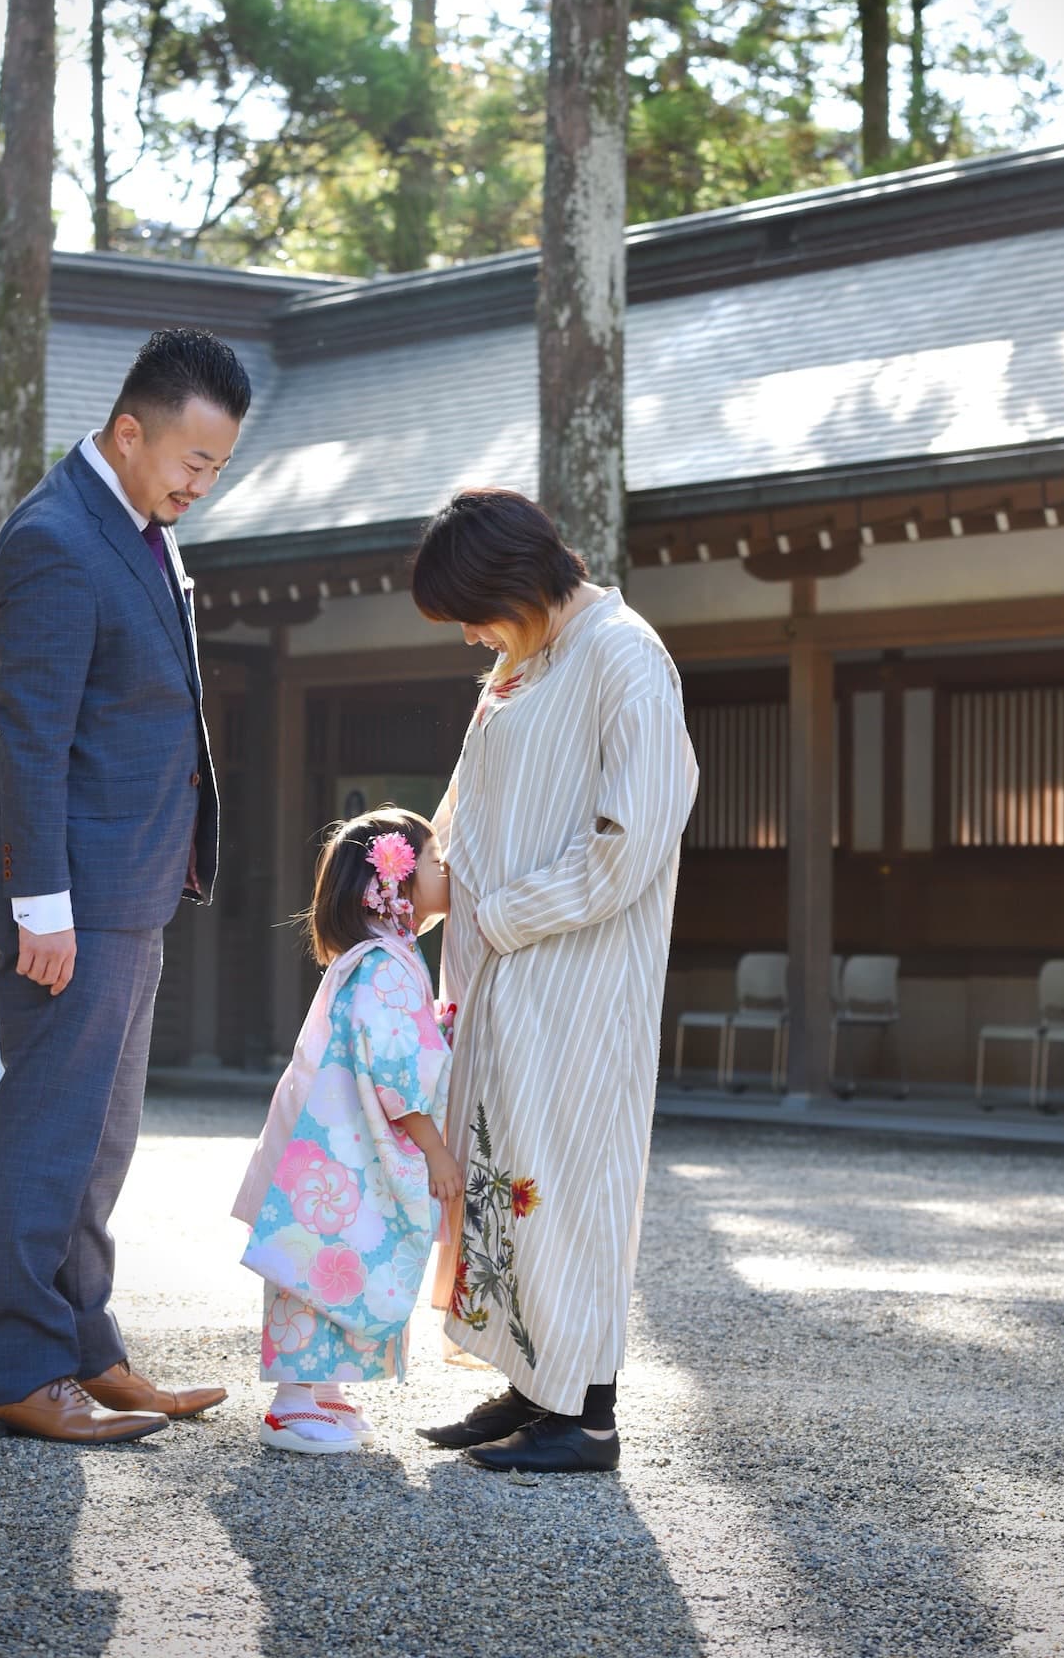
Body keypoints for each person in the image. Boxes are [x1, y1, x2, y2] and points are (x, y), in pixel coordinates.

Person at [0, 329, 251, 1444]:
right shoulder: (52, 538)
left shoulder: (137, 528)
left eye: (217, 467)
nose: (199, 482)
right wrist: (41, 903)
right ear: (128, 430)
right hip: (69, 904)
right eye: (190, 459)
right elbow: (32, 740)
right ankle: (17, 1367)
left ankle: (86, 1345)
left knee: (102, 1137)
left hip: (127, 889)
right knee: (50, 1133)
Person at [410, 488, 699, 1474]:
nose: (469, 637)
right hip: (503, 971)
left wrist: (497, 912)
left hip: (577, 974)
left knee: (572, 1181)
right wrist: (427, 881)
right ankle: (535, 1385)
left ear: (515, 582)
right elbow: (467, 798)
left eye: (471, 612)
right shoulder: (522, 658)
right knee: (509, 1174)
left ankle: (587, 1414)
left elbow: (633, 840)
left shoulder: (622, 654)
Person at [232, 809, 459, 1457]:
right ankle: (290, 1404)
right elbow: (395, 1064)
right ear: (395, 882)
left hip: (327, 1148)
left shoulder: (381, 956)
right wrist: (436, 1147)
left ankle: (323, 1389)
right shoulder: (384, 965)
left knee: (338, 1259)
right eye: (438, 858)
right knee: (317, 1263)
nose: (450, 868)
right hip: (334, 1153)